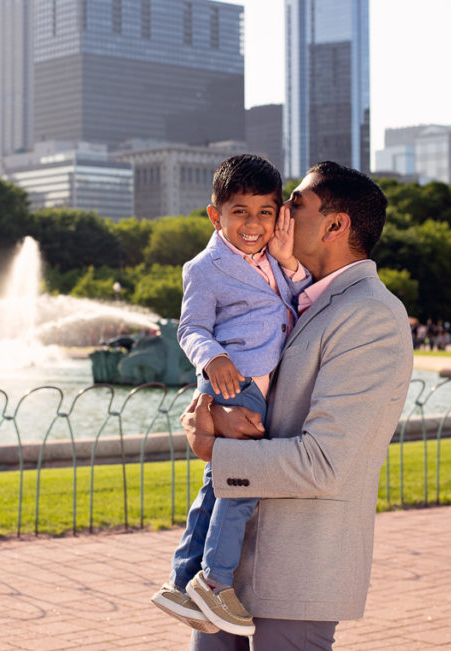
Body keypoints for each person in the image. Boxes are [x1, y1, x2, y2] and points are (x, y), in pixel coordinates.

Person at [180, 161, 413, 650]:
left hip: (295, 573)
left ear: (335, 225)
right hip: (229, 572)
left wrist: (217, 452)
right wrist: (216, 413)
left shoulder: (370, 315)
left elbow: (324, 463)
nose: (279, 212)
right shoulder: (288, 291)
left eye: (294, 204)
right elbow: (242, 376)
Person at [151, 154, 311, 637]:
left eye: (265, 212)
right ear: (215, 214)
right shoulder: (204, 267)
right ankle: (216, 582)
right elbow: (191, 326)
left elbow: (296, 298)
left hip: (259, 385)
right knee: (244, 486)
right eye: (240, 211)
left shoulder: (274, 259)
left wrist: (289, 263)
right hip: (232, 383)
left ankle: (183, 580)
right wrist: (212, 357)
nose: (253, 223)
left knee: (217, 485)